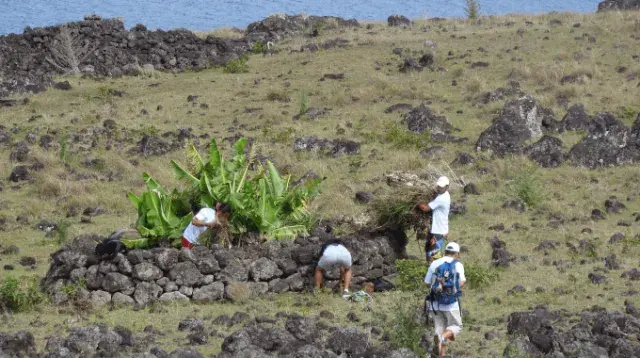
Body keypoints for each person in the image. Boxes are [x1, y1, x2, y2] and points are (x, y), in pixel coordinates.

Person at [424, 242, 466, 357]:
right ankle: (442, 337)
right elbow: (461, 282)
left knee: (439, 328)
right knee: (456, 326)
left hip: (435, 304)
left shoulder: (434, 263)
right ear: (457, 253)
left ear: (445, 252)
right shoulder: (458, 265)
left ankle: (441, 353)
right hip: (451, 304)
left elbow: (426, 283)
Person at [415, 176, 451, 262]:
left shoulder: (442, 198)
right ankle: (429, 270)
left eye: (441, 187)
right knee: (429, 250)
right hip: (436, 229)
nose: (439, 188)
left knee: (435, 255)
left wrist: (416, 201)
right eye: (438, 186)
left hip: (439, 231)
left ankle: (436, 272)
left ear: (447, 187)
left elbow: (425, 208)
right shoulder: (442, 194)